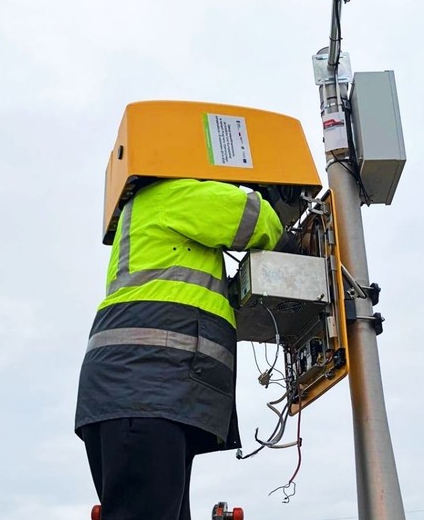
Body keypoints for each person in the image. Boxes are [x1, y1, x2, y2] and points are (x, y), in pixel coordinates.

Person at [75, 178, 284, 520]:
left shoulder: (148, 208)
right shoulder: (174, 194)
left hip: (141, 395)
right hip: (146, 392)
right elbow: (258, 219)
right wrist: (272, 198)